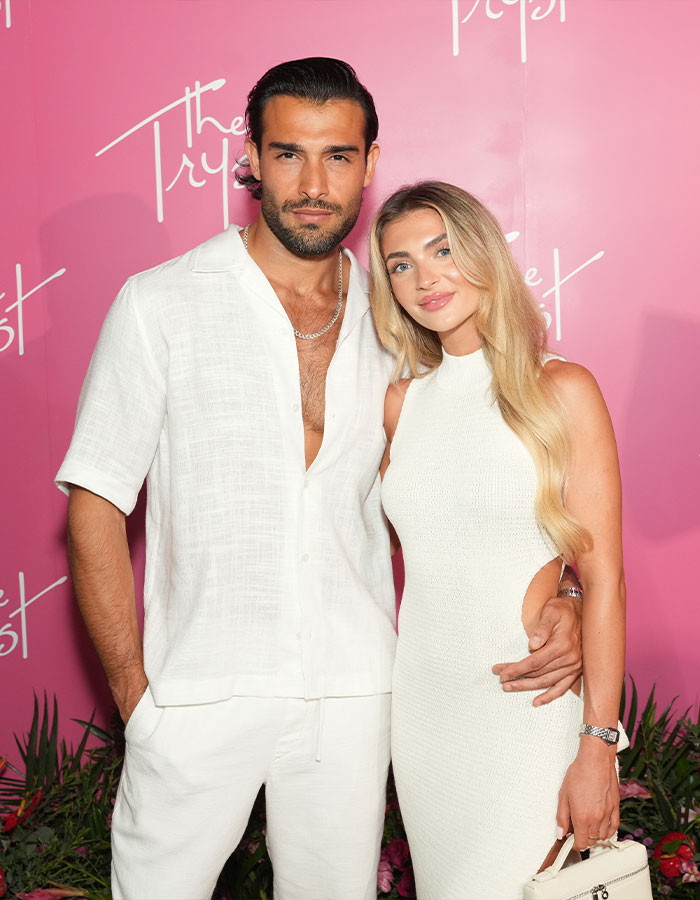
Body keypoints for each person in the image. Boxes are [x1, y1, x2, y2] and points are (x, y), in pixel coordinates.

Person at [56, 61, 584, 900]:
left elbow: (498, 473)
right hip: (199, 690)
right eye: (288, 154)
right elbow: (94, 504)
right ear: (253, 159)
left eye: (337, 157)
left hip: (356, 690)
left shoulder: (404, 320)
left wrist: (570, 595)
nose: (312, 183)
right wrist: (137, 701)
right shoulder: (161, 303)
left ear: (370, 164)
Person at [369, 181, 626, 899]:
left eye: (442, 249)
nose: (426, 278)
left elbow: (605, 580)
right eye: (400, 264)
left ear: (482, 251)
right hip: (424, 718)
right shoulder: (402, 403)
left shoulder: (563, 389)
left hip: (527, 715)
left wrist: (597, 747)